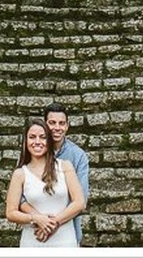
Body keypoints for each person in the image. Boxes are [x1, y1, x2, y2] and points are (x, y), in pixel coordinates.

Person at [5, 117, 86, 249]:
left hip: (65, 240)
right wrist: (36, 219)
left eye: (43, 137)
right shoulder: (20, 174)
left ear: (49, 141)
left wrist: (51, 223)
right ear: (26, 141)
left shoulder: (65, 166)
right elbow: (11, 213)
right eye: (32, 137)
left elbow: (79, 202)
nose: (37, 142)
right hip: (33, 241)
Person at [31, 103, 90, 245]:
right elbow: (20, 198)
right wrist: (40, 220)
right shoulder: (32, 152)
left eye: (61, 123)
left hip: (68, 229)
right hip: (35, 230)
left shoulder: (78, 156)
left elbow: (80, 200)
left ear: (67, 126)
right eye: (52, 123)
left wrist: (52, 223)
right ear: (45, 124)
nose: (57, 128)